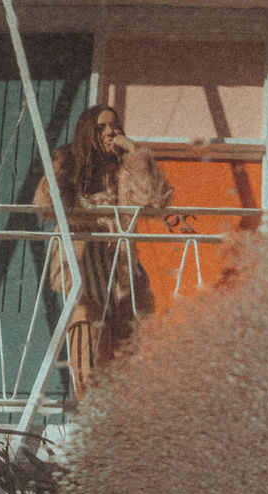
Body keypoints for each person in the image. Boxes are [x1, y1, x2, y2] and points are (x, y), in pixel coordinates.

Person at [33, 105, 173, 396]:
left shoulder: (124, 168)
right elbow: (48, 206)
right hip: (84, 271)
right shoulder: (68, 162)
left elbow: (157, 202)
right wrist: (97, 220)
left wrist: (135, 152)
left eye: (115, 126)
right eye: (102, 127)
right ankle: (91, 420)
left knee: (128, 363)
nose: (111, 132)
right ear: (88, 132)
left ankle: (119, 425)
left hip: (123, 273)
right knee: (87, 362)